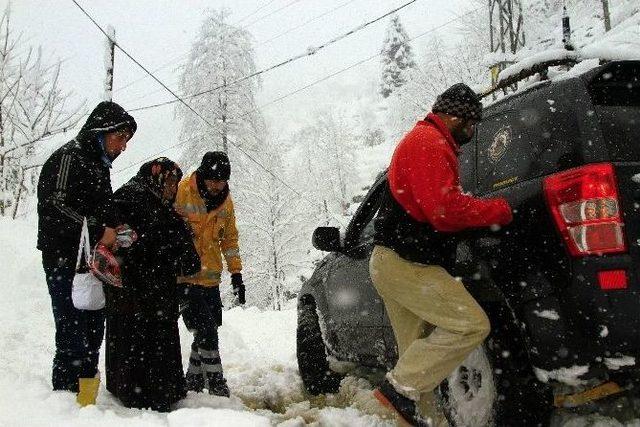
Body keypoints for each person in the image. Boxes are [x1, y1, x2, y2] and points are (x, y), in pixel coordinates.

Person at [370, 84, 513, 426]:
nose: (473, 130)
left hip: (391, 262)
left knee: (417, 356)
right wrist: (498, 211)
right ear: (454, 116)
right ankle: (397, 390)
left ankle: (422, 416)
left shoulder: (425, 141)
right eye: (471, 123)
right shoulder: (429, 143)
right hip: (407, 263)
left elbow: (435, 203)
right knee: (470, 325)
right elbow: (444, 209)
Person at [37, 101, 136, 396]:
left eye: (126, 141)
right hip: (63, 260)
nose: (123, 147)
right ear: (101, 131)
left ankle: (86, 404)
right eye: (120, 138)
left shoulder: (98, 166)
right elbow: (53, 206)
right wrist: (97, 230)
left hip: (92, 263)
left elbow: (102, 209)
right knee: (72, 334)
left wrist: (119, 229)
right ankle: (66, 404)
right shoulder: (68, 158)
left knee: (93, 334)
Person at [105, 158, 201, 412]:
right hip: (136, 292)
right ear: (156, 177)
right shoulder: (132, 197)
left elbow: (187, 258)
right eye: (170, 182)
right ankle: (142, 396)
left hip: (154, 291)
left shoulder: (160, 204)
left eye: (176, 184)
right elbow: (135, 242)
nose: (173, 189)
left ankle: (158, 393)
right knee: (138, 343)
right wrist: (175, 234)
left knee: (153, 341)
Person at [174, 151, 245, 397]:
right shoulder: (181, 192)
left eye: (222, 181)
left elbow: (230, 239)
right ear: (203, 176)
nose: (217, 186)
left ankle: (192, 380)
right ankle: (216, 382)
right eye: (213, 180)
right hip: (184, 276)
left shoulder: (226, 202)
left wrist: (237, 273)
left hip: (211, 277)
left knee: (210, 326)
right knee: (204, 328)